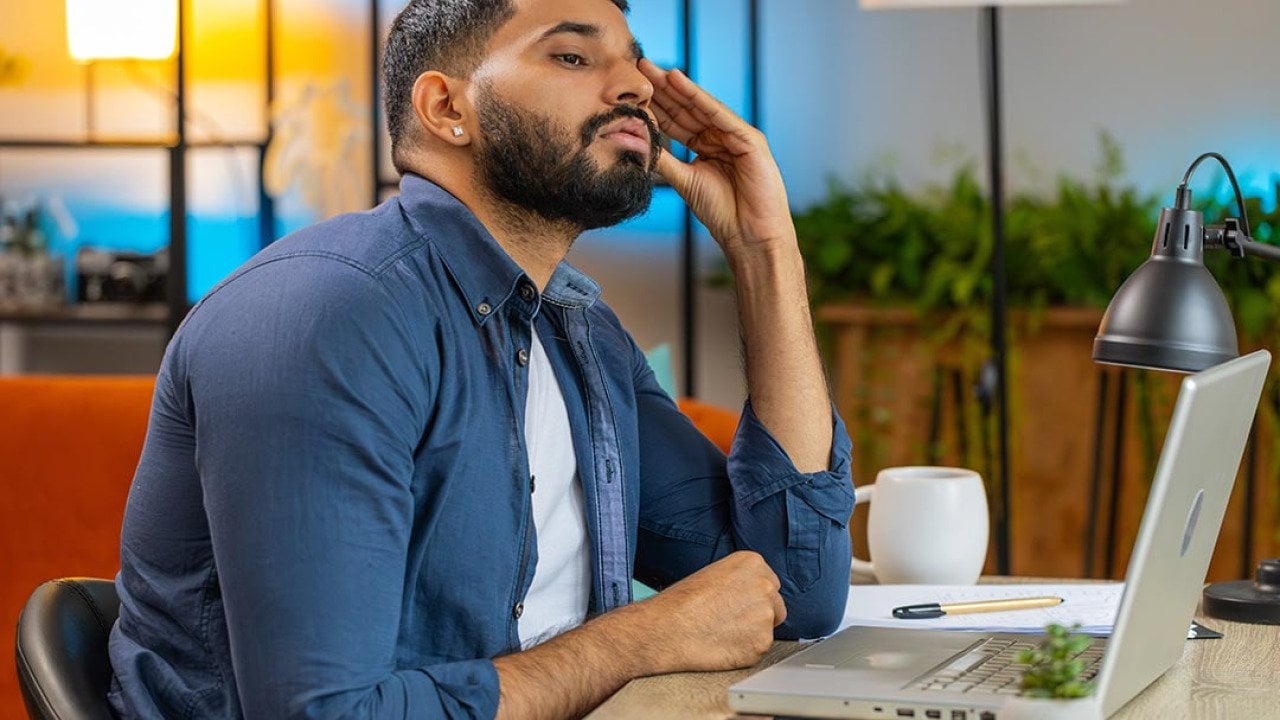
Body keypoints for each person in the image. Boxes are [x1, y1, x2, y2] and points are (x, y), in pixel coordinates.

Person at [107, 0, 855, 717]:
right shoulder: (330, 316)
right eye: (571, 55)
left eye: (637, 64)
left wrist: (763, 247)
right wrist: (642, 638)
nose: (637, 88)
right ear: (447, 109)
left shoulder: (581, 331)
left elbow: (794, 590)